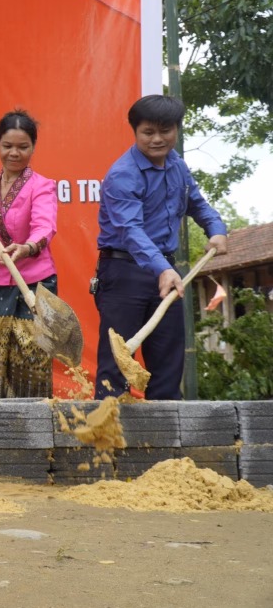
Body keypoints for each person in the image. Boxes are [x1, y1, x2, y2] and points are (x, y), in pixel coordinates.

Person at [94, 95, 228, 400]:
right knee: (115, 369)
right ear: (135, 132)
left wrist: (216, 230)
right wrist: (163, 268)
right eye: (148, 132)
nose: (157, 139)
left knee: (168, 366)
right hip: (124, 272)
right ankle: (104, 442)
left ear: (177, 130)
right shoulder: (122, 175)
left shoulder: (177, 165)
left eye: (165, 131)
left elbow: (197, 203)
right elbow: (130, 230)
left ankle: (168, 445)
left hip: (167, 274)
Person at [0, 109, 58, 399]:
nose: (14, 153)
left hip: (35, 283)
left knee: (33, 361)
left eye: (23, 147)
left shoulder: (43, 186)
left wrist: (27, 247)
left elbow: (45, 226)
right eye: (7, 146)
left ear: (33, 147)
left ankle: (35, 432)